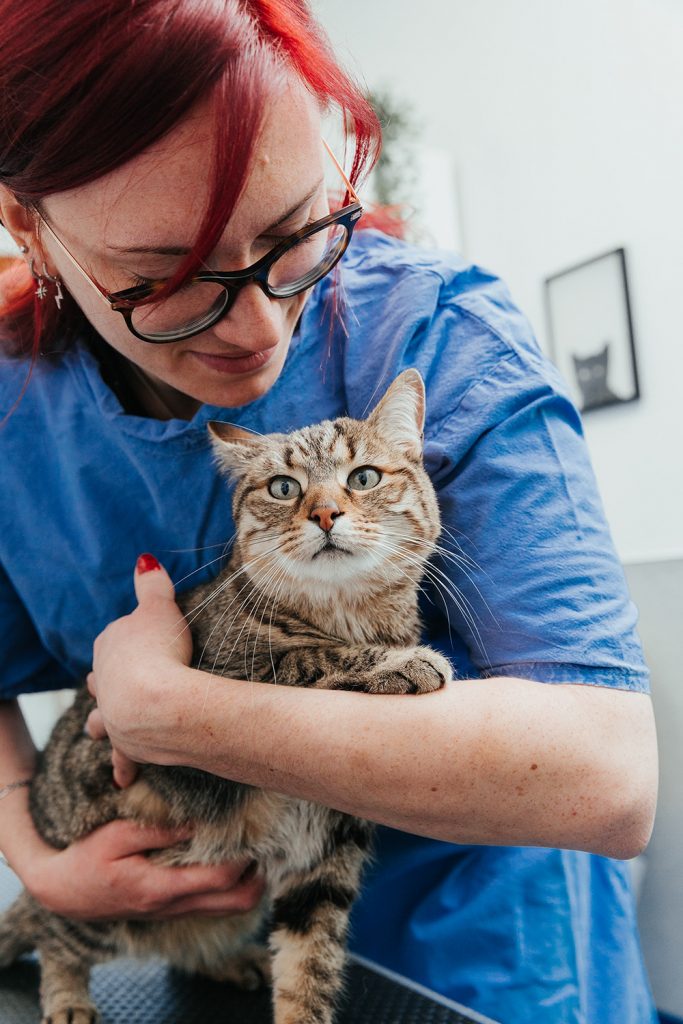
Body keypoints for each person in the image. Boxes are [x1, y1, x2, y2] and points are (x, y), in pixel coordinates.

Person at [0, 2, 658, 1022]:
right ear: (26, 223)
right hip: (204, 949)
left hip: (468, 950)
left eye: (298, 231)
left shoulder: (440, 336)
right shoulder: (13, 417)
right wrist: (41, 861)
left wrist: (185, 717)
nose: (263, 326)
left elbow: (605, 775)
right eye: (169, 278)